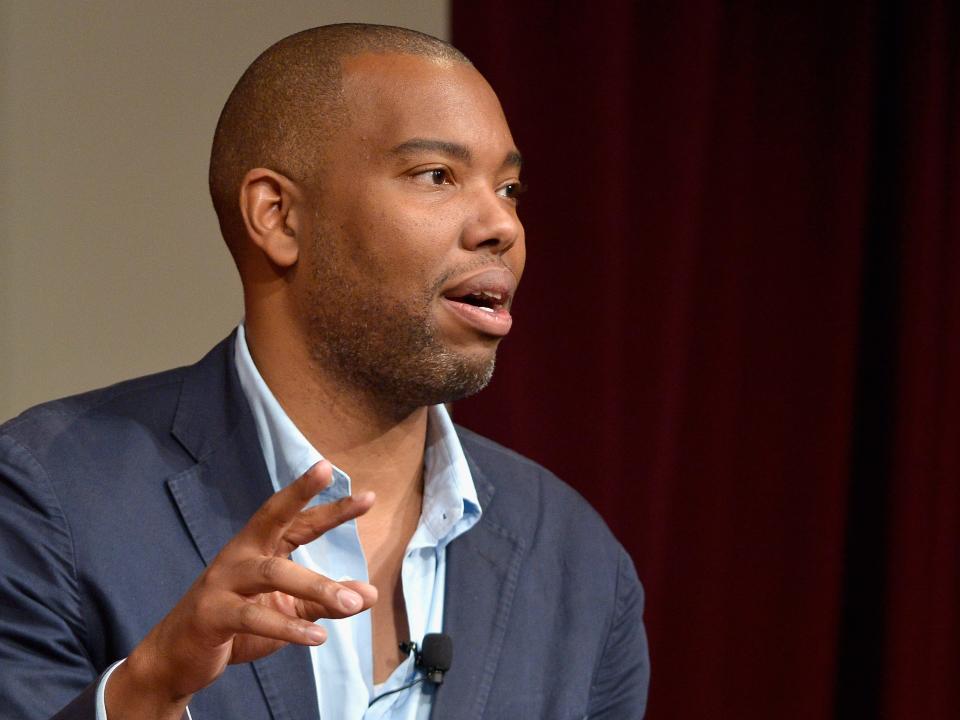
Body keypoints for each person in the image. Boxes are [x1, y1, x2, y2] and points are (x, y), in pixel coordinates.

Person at [0, 24, 649, 720]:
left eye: (511, 187)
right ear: (278, 216)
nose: (503, 226)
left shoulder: (578, 562)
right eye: (438, 175)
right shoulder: (52, 496)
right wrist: (147, 690)